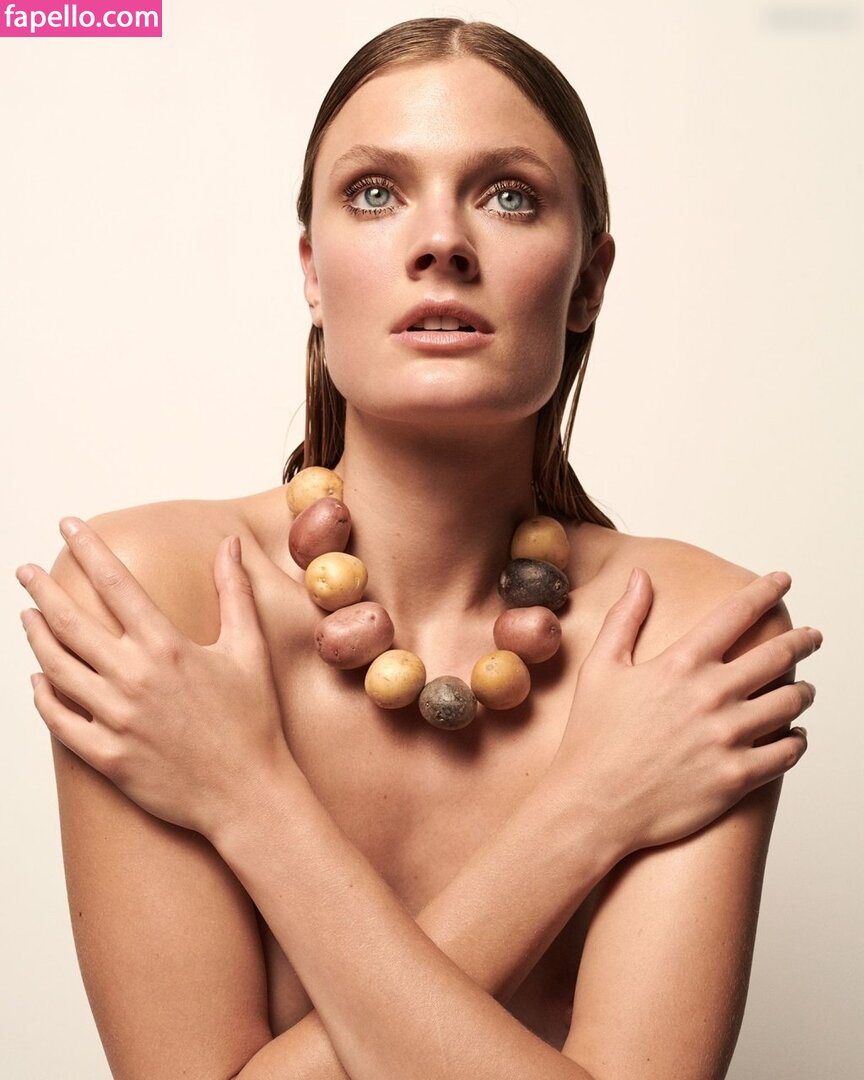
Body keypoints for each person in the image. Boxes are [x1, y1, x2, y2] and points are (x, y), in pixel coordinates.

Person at [16, 17, 821, 1080]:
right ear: (312, 271)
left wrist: (242, 796)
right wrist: (588, 816)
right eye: (375, 192)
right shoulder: (157, 606)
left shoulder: (691, 642)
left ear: (588, 282)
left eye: (509, 195)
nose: (442, 242)